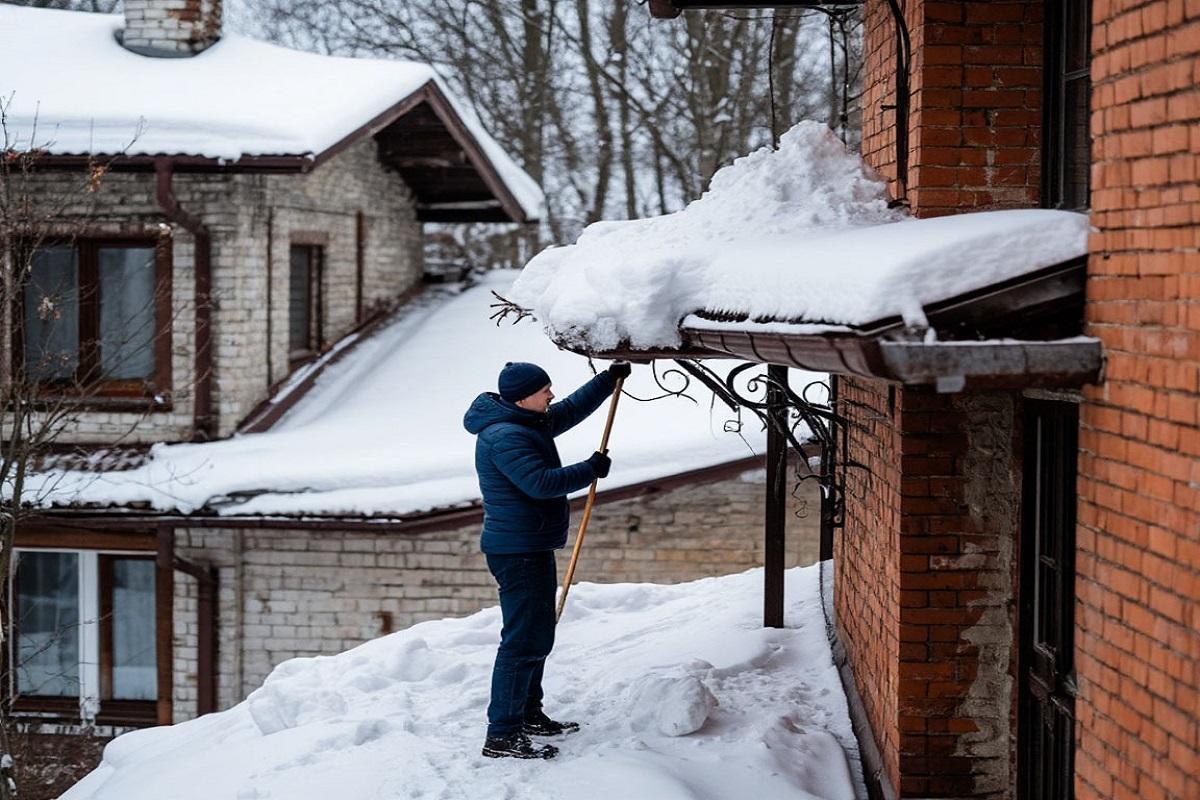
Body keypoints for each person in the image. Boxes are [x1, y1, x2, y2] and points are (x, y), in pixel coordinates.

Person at [463, 360, 631, 760]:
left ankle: (527, 714)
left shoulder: (523, 421)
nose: (551, 395)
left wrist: (608, 380)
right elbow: (539, 484)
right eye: (544, 391)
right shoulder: (505, 436)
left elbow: (569, 410)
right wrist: (589, 470)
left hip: (530, 545)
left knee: (537, 635)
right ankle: (502, 734)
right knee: (523, 640)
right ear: (523, 398)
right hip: (517, 551)